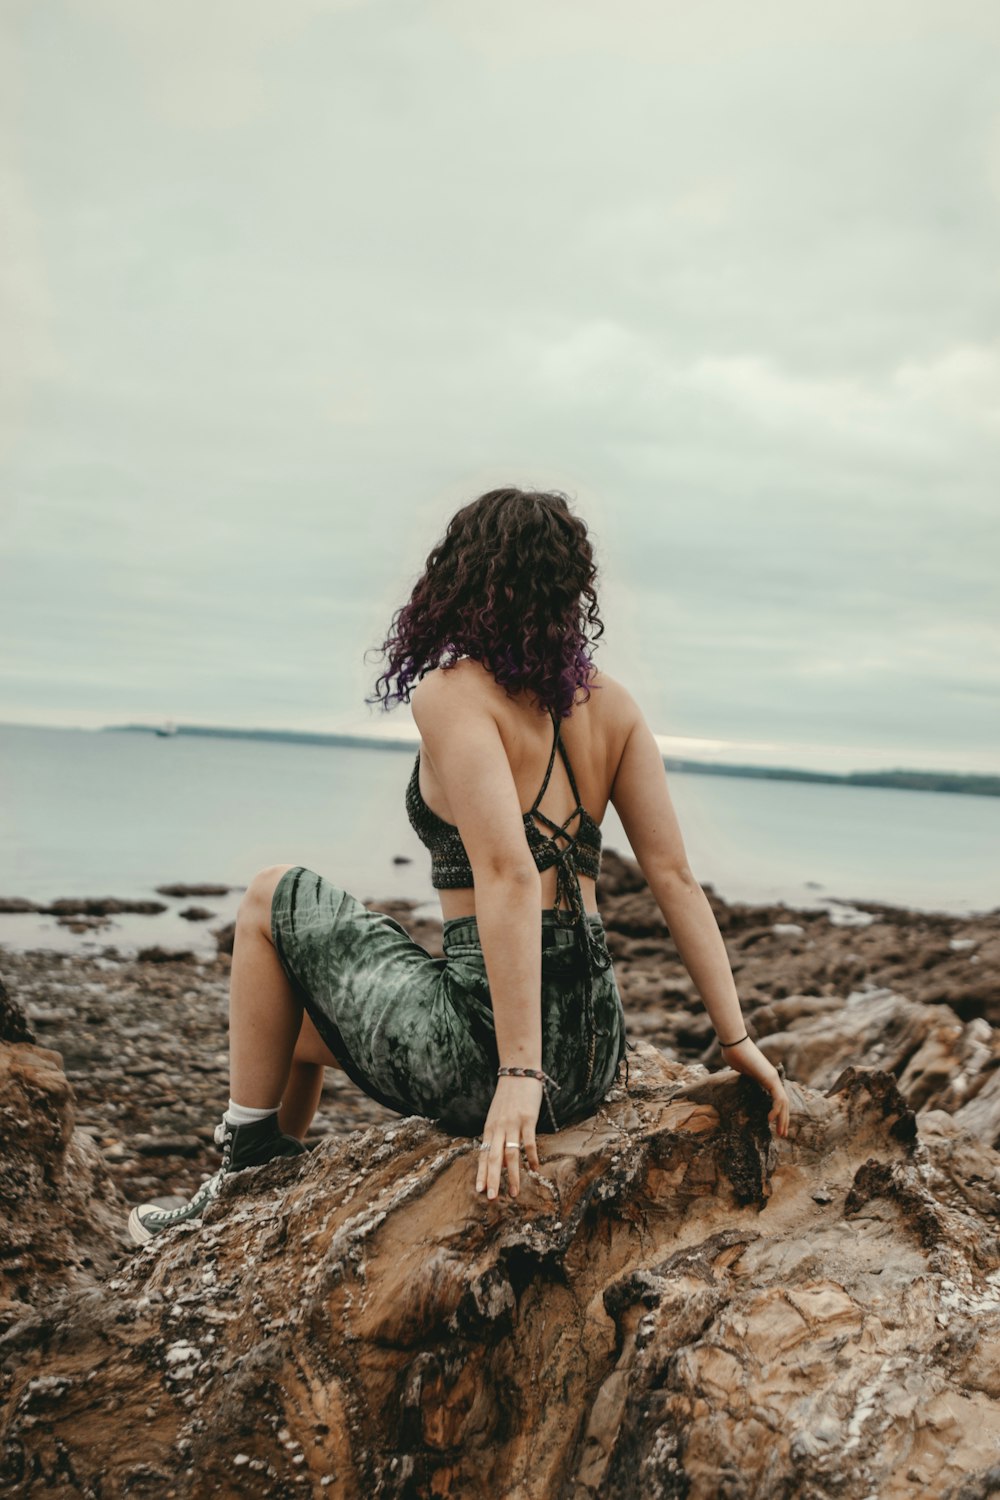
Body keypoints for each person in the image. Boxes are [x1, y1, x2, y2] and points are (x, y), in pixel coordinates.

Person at [127, 487, 790, 1244]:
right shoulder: (613, 707)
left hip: (490, 1049)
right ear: (572, 589)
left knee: (270, 894)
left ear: (463, 577)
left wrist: (517, 1075)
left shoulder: (454, 693)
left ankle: (239, 1168)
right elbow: (673, 878)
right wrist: (736, 1041)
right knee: (296, 1027)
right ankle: (251, 1182)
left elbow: (506, 873)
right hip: (595, 1053)